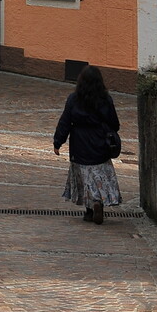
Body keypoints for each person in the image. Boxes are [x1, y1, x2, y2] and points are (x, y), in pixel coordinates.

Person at [53, 65, 122, 224]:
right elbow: (115, 123)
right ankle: (98, 203)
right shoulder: (105, 99)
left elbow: (64, 122)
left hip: (79, 143)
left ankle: (90, 210)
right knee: (99, 176)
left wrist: (58, 142)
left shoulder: (73, 99)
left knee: (84, 177)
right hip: (100, 142)